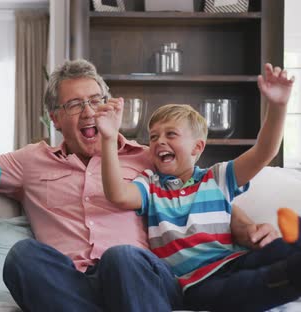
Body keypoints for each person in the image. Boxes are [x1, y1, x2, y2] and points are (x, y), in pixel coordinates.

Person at [0, 59, 278, 312]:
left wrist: (243, 225)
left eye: (95, 101)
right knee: (24, 258)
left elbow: (197, 190)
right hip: (72, 286)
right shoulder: (28, 162)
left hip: (139, 281)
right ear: (56, 119)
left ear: (109, 107)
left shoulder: (149, 155)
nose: (88, 112)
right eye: (74, 105)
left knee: (124, 257)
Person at [95, 63, 298, 311]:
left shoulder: (218, 177)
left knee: (275, 251)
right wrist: (108, 138)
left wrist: (278, 107)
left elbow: (264, 152)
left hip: (233, 260)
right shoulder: (150, 185)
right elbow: (117, 195)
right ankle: (290, 274)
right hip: (195, 283)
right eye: (154, 136)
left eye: (171, 134)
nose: (160, 141)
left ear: (197, 148)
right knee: (248, 285)